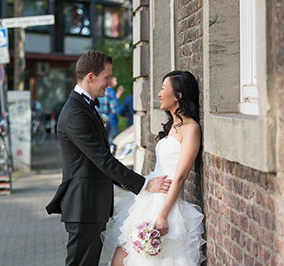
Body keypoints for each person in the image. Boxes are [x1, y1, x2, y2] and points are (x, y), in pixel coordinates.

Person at [45, 51, 171, 266]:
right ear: (90, 77)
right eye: (107, 78)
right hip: (83, 205)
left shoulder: (86, 106)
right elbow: (103, 160)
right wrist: (144, 185)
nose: (110, 84)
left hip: (91, 205)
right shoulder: (75, 112)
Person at [102, 71, 206, 265]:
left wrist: (163, 215)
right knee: (120, 260)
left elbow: (181, 176)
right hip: (147, 200)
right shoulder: (171, 127)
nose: (159, 93)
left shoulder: (191, 128)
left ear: (178, 95)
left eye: (163, 88)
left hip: (166, 205)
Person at [96, 75, 124, 144]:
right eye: (115, 80)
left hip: (97, 122)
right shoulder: (110, 92)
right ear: (110, 81)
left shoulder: (97, 90)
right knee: (111, 146)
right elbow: (116, 110)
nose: (116, 83)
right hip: (110, 123)